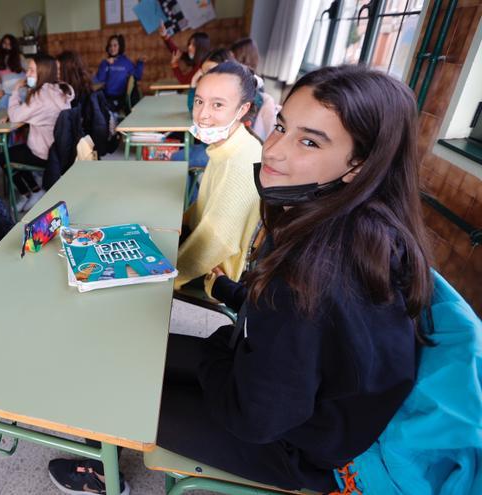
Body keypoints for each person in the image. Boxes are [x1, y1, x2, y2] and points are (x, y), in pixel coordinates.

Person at [154, 64, 433, 493]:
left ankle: (101, 469)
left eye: (308, 141)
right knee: (146, 357)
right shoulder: (357, 221)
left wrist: (214, 351)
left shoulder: (312, 275)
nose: (275, 150)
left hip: (298, 448)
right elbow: (300, 338)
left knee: (129, 400)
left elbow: (256, 418)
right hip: (280, 388)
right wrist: (234, 296)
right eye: (281, 126)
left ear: (359, 164)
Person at [173, 61, 262, 294]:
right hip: (203, 245)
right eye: (199, 101)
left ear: (242, 110)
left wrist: (169, 274)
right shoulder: (229, 144)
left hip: (216, 270)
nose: (203, 115)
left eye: (218, 105)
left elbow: (217, 241)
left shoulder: (240, 161)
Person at [0, 54, 74, 213]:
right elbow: (36, 114)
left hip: (43, 154)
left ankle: (29, 192)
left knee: (3, 156)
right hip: (60, 151)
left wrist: (15, 91)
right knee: (18, 150)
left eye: (32, 70)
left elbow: (15, 116)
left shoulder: (39, 97)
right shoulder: (60, 89)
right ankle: (34, 190)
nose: (27, 74)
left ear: (44, 72)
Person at [93, 34, 145, 113]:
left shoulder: (125, 62)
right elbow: (98, 80)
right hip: (106, 97)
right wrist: (106, 66)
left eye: (115, 45)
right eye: (110, 46)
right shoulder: (104, 63)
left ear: (120, 47)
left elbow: (137, 76)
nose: (112, 48)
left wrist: (140, 63)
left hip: (119, 98)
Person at [0, 34, 26, 110]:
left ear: (14, 46)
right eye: (5, 43)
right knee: (2, 108)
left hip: (21, 92)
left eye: (9, 44)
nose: (7, 46)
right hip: (6, 93)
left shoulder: (20, 57)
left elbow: (29, 73)